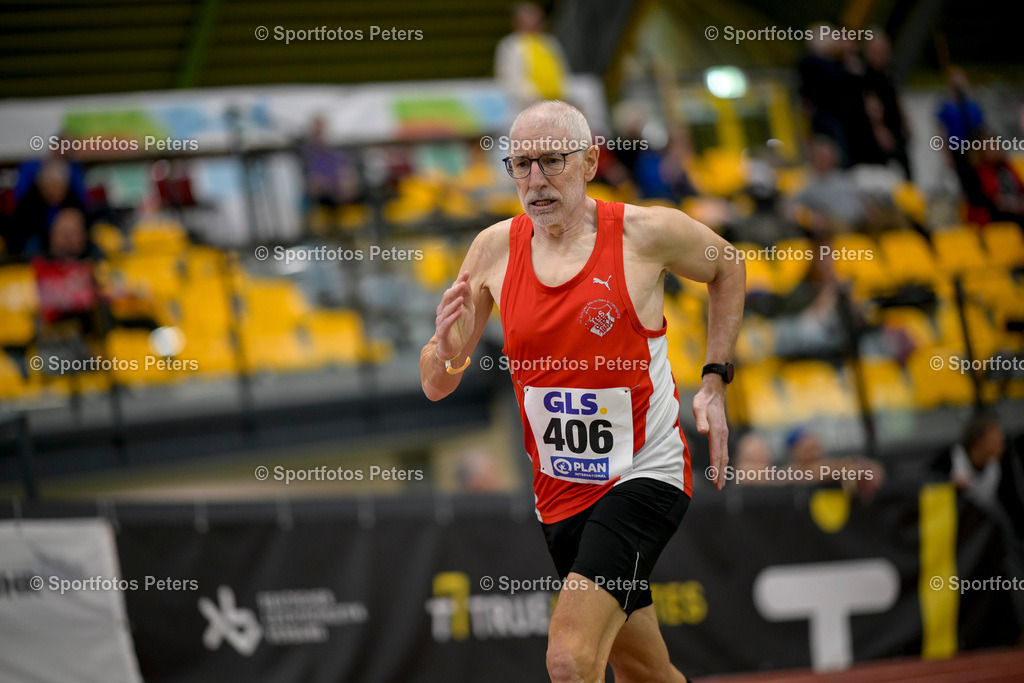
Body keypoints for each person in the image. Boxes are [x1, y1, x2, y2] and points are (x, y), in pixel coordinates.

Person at [420, 101, 745, 682]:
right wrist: (446, 351)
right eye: (520, 165)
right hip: (561, 493)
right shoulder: (494, 249)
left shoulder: (645, 234)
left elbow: (729, 266)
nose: (535, 181)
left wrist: (715, 378)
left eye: (551, 160)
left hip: (645, 473)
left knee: (569, 659)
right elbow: (437, 385)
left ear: (591, 160)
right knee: (647, 671)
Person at [494, 3, 571, 109]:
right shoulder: (510, 44)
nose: (533, 26)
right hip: (525, 103)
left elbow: (563, 72)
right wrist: (536, 98)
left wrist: (562, 96)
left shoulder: (550, 42)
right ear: (516, 23)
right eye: (527, 22)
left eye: (536, 22)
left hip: (557, 100)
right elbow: (508, 79)